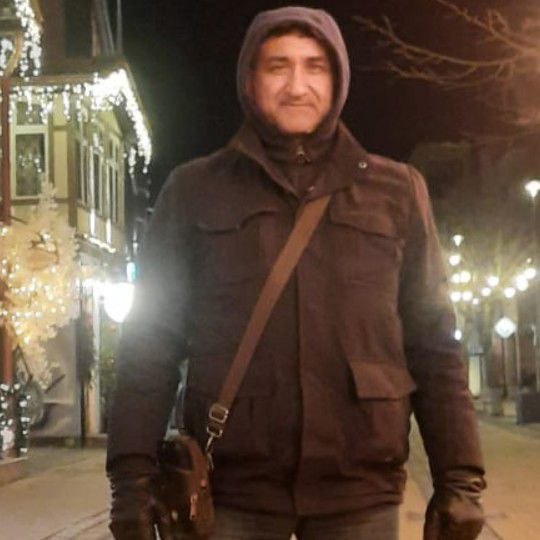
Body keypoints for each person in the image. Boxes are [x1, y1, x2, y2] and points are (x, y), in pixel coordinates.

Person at [107, 6, 486, 540]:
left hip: (359, 492)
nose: (297, 85)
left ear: (338, 80)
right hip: (232, 492)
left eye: (315, 66)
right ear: (249, 80)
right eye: (277, 66)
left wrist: (459, 480)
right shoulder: (194, 190)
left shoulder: (397, 191)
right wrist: (131, 481)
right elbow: (150, 343)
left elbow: (434, 342)